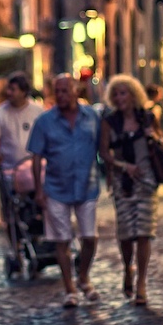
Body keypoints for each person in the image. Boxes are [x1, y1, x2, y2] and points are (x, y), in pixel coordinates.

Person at [28, 74, 101, 308]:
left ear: (75, 90)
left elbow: (104, 145)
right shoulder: (45, 121)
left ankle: (83, 276)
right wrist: (38, 190)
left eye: (64, 91)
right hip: (56, 187)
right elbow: (36, 156)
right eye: (57, 91)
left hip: (86, 185)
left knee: (90, 238)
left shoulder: (92, 116)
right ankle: (70, 288)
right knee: (62, 240)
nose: (60, 96)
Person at [99, 75, 158, 307]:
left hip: (146, 180)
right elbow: (104, 153)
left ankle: (141, 284)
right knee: (125, 233)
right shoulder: (109, 122)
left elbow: (159, 141)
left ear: (134, 95)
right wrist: (123, 166)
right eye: (116, 94)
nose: (120, 98)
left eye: (124, 93)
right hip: (122, 182)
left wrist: (154, 137)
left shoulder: (147, 117)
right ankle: (127, 268)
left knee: (144, 232)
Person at [0, 71, 44, 173]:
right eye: (8, 89)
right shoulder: (0, 112)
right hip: (9, 169)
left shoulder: (38, 111)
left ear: (23, 92)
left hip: (33, 169)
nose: (9, 92)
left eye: (13, 90)